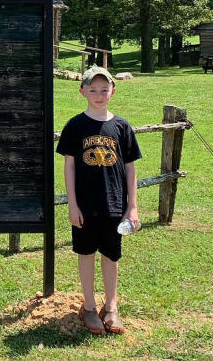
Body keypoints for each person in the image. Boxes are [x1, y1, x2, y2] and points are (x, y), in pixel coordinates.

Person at [57, 65, 141, 336]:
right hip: (84, 204)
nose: (99, 94)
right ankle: (90, 307)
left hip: (114, 204)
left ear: (112, 92)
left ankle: (112, 306)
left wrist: (133, 206)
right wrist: (72, 204)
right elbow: (69, 167)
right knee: (85, 254)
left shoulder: (122, 126)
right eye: (93, 89)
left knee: (111, 255)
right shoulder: (75, 126)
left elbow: (130, 168)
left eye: (104, 90)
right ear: (82, 91)